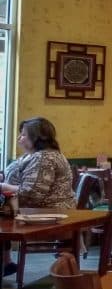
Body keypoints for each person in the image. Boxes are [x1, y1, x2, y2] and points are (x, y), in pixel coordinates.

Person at [1, 117, 75, 275]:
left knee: (3, 212)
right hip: (36, 209)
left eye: (23, 135)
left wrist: (3, 187)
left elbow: (31, 194)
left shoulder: (45, 158)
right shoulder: (34, 155)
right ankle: (5, 262)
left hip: (49, 213)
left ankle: (5, 262)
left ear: (37, 138)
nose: (19, 138)